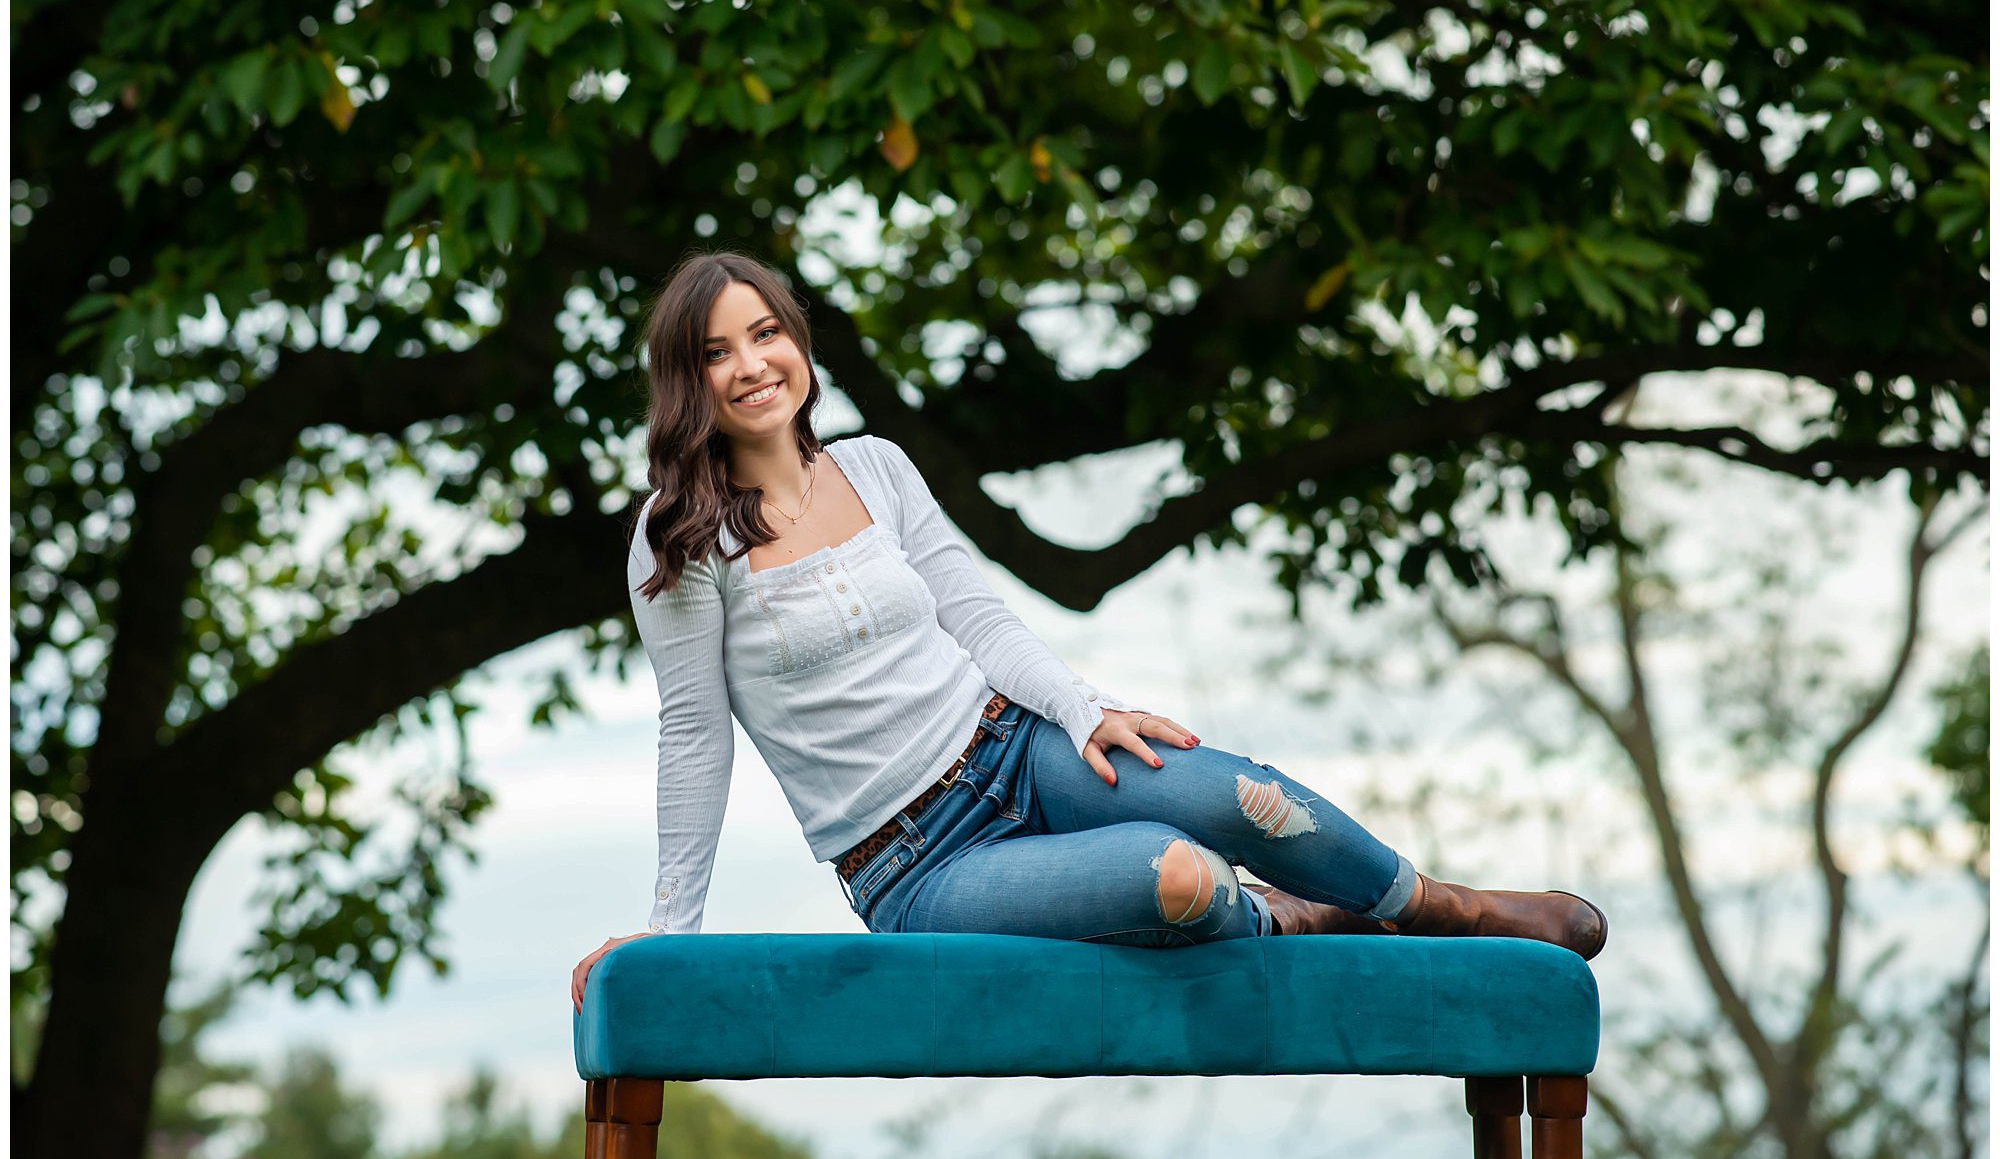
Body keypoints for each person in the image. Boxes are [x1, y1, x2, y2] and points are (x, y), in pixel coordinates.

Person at [571, 251, 1606, 1011]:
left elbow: (975, 615)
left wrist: (1083, 710)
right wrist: (669, 939)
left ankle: (1441, 907)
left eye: (765, 333)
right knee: (1178, 876)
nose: (751, 364)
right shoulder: (677, 544)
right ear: (685, 379)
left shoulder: (876, 467)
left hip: (1018, 743)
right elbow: (695, 738)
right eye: (715, 351)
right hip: (915, 863)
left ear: (797, 342)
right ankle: (1292, 915)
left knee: (1239, 796)